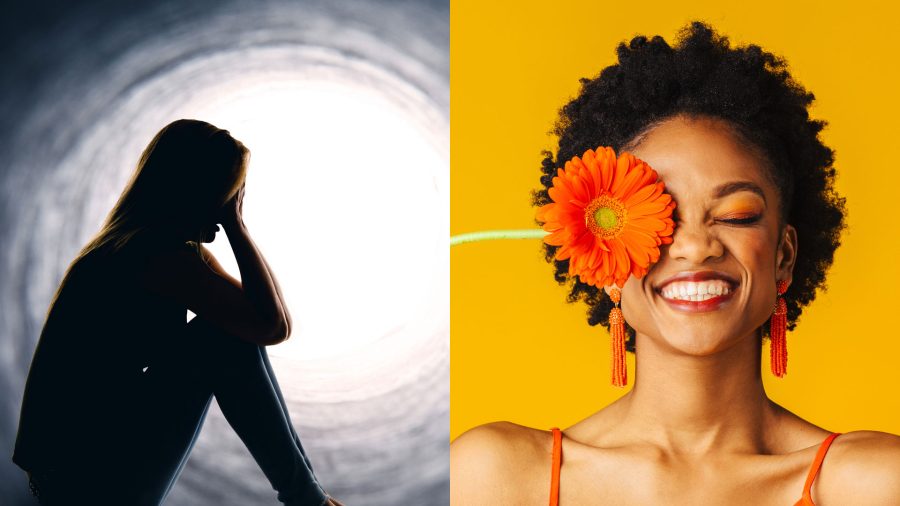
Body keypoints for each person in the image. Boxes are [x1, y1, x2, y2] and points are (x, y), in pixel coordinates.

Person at [451, 22, 900, 505]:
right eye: (659, 216)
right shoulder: (499, 477)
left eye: (736, 216)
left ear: (784, 257)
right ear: (602, 260)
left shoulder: (872, 483)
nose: (695, 246)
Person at [12, 119, 344, 506]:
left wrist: (236, 224)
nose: (228, 204)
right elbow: (269, 327)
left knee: (224, 335)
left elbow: (272, 325)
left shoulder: (167, 251)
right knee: (217, 339)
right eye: (227, 192)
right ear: (195, 191)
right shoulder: (150, 253)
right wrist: (237, 226)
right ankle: (306, 499)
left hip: (83, 466)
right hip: (79, 477)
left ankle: (308, 496)